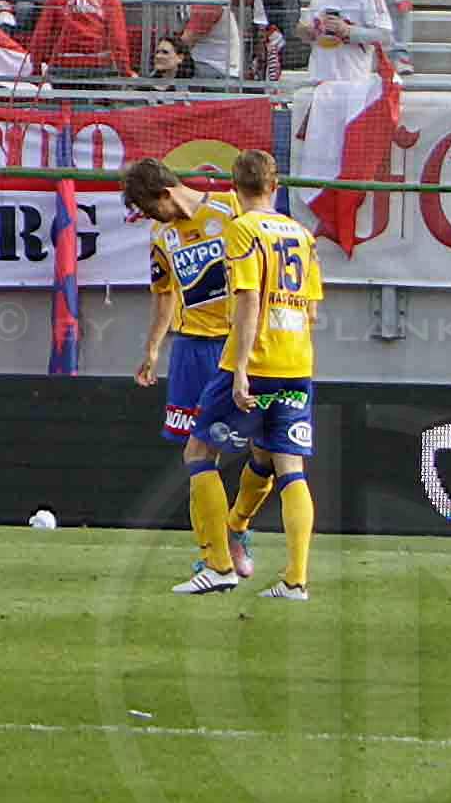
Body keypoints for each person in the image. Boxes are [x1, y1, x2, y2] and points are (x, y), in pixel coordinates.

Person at [126, 157, 255, 592]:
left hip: (235, 346)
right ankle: (214, 556)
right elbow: (163, 295)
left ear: (164, 193)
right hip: (191, 350)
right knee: (199, 454)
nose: (150, 218)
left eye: (149, 208)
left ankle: (235, 532)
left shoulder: (226, 211)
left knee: (265, 453)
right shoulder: (161, 235)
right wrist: (152, 347)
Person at [214, 145, 325, 603]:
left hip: (255, 361)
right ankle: (294, 576)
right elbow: (314, 309)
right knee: (285, 465)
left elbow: (247, 298)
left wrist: (240, 368)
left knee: (200, 449)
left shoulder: (241, 230)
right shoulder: (302, 234)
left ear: (234, 188)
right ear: (276, 186)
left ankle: (218, 549)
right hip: (297, 361)